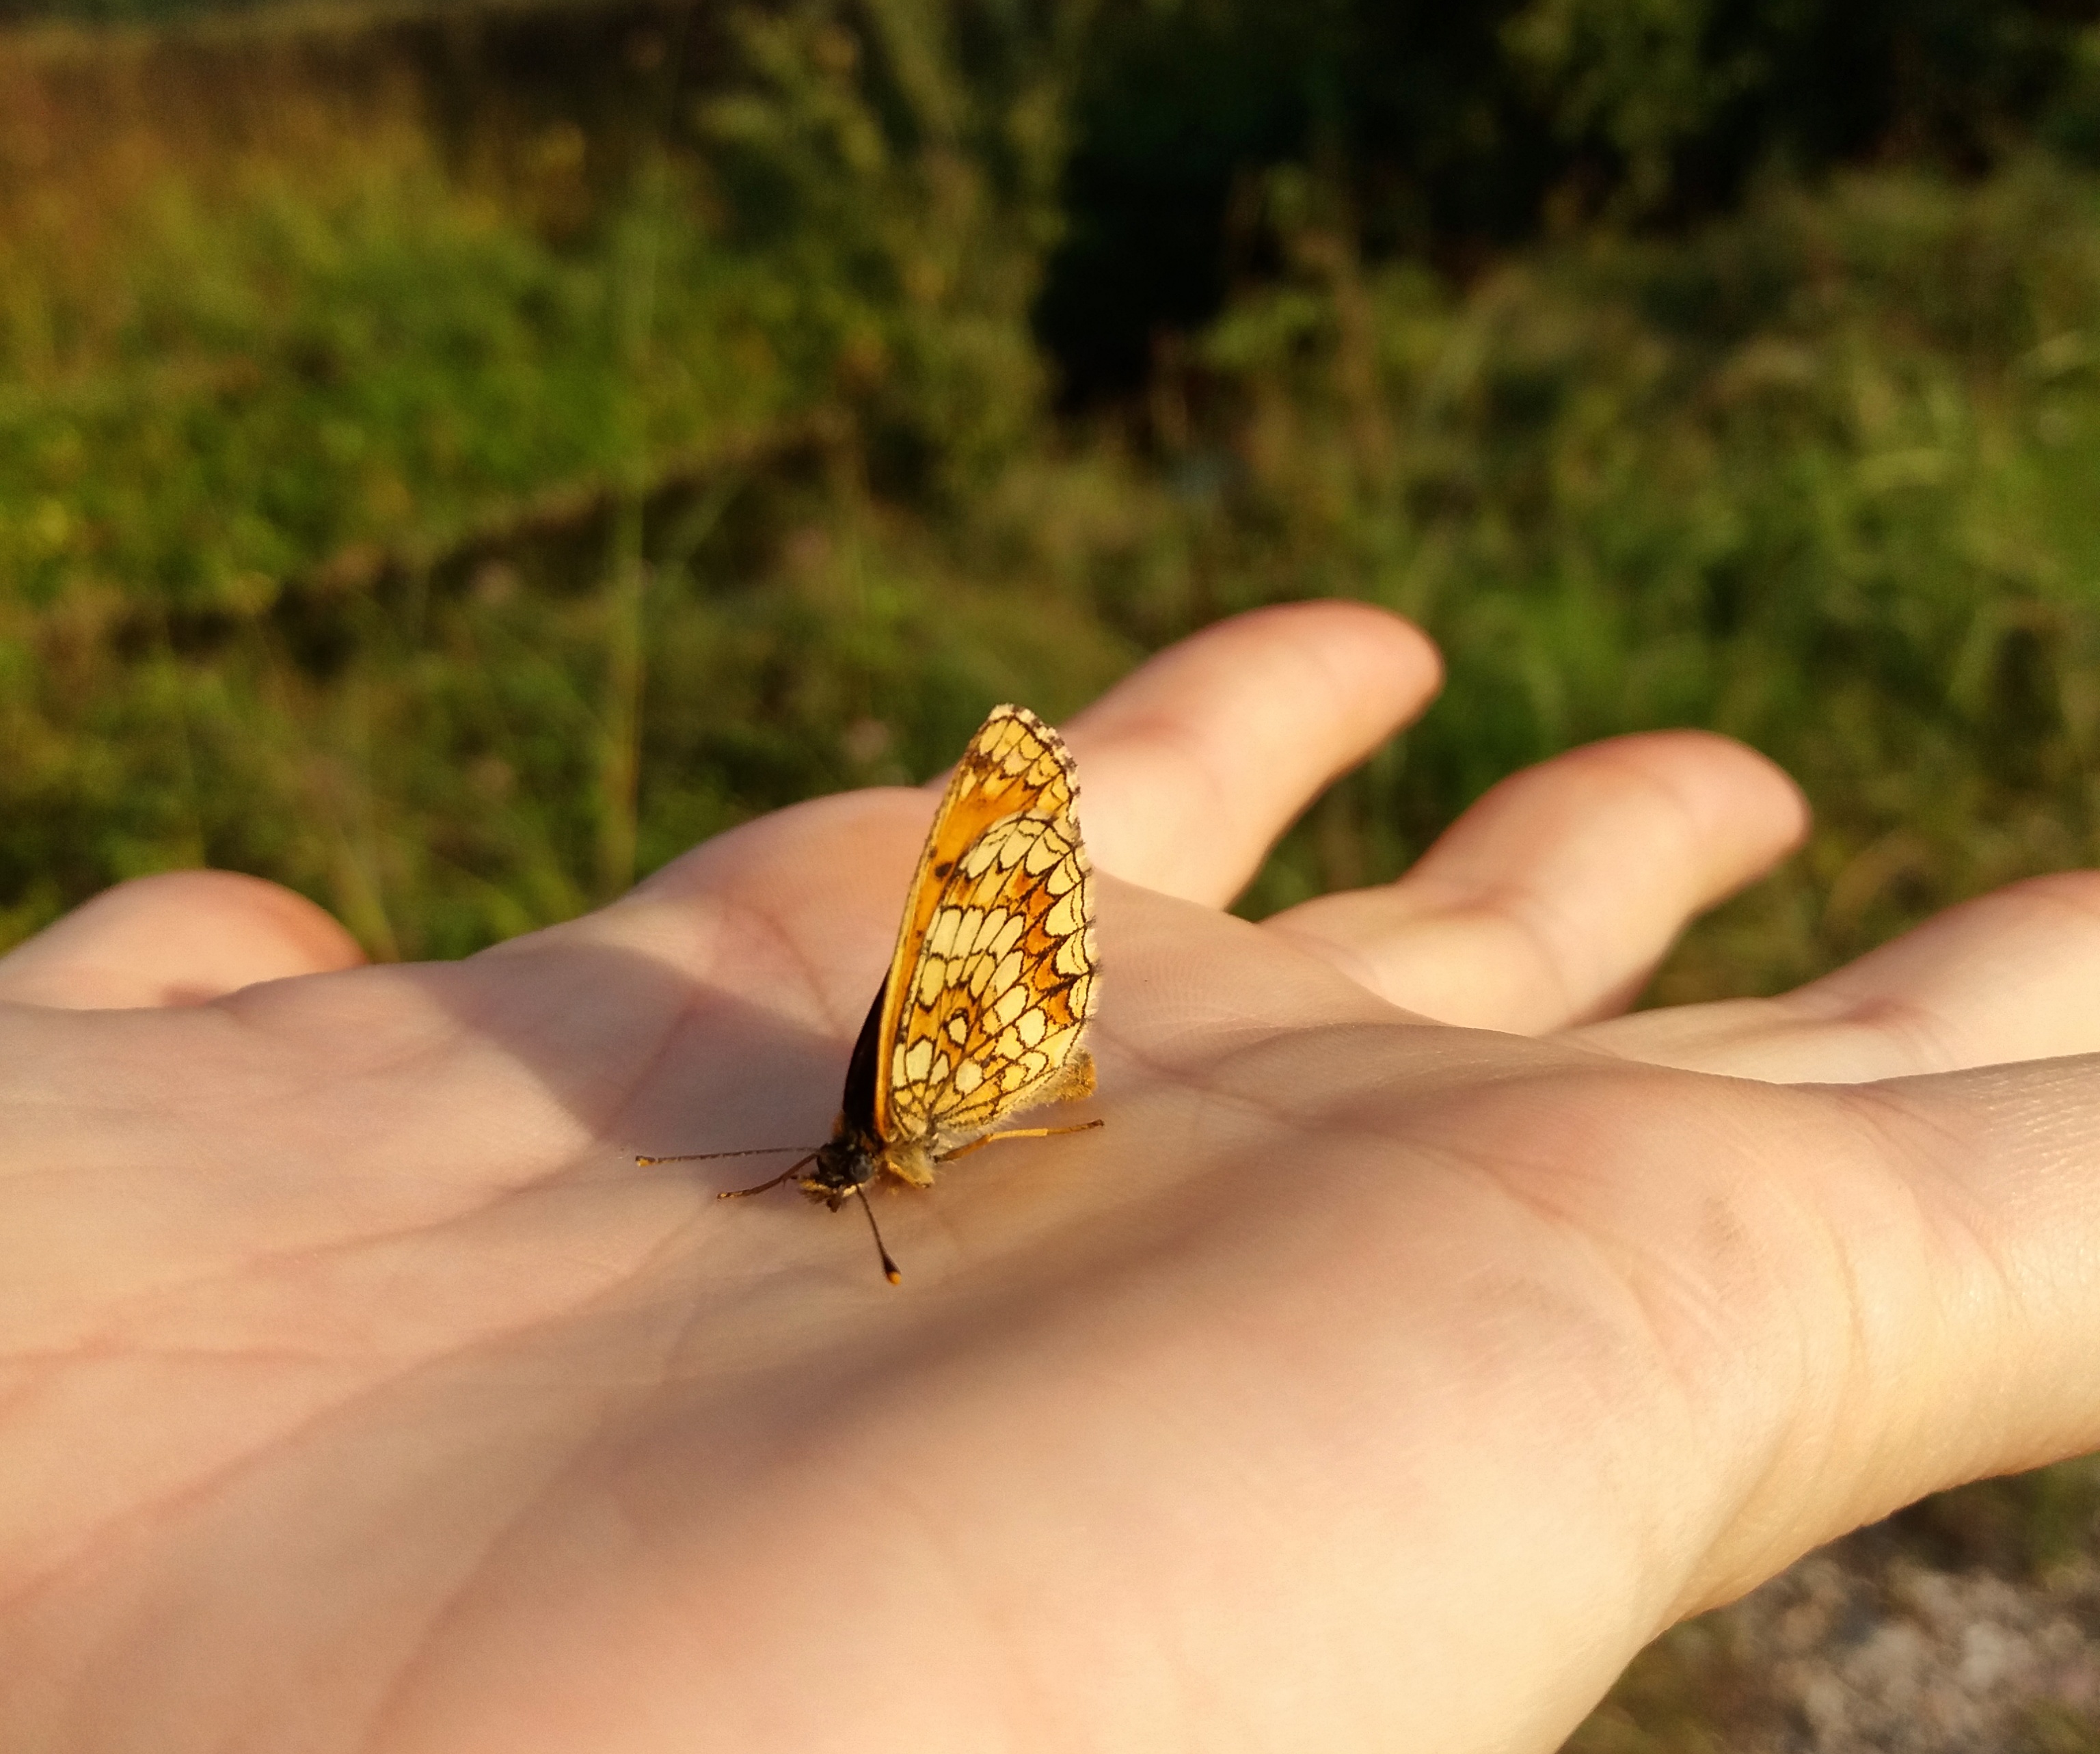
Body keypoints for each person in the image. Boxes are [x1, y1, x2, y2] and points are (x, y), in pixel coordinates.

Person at [2, 599, 2095, 1753]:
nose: (834, 1186)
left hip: (992, 1049)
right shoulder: (855, 1135)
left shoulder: (891, 1111)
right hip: (998, 1057)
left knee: (930, 1099)